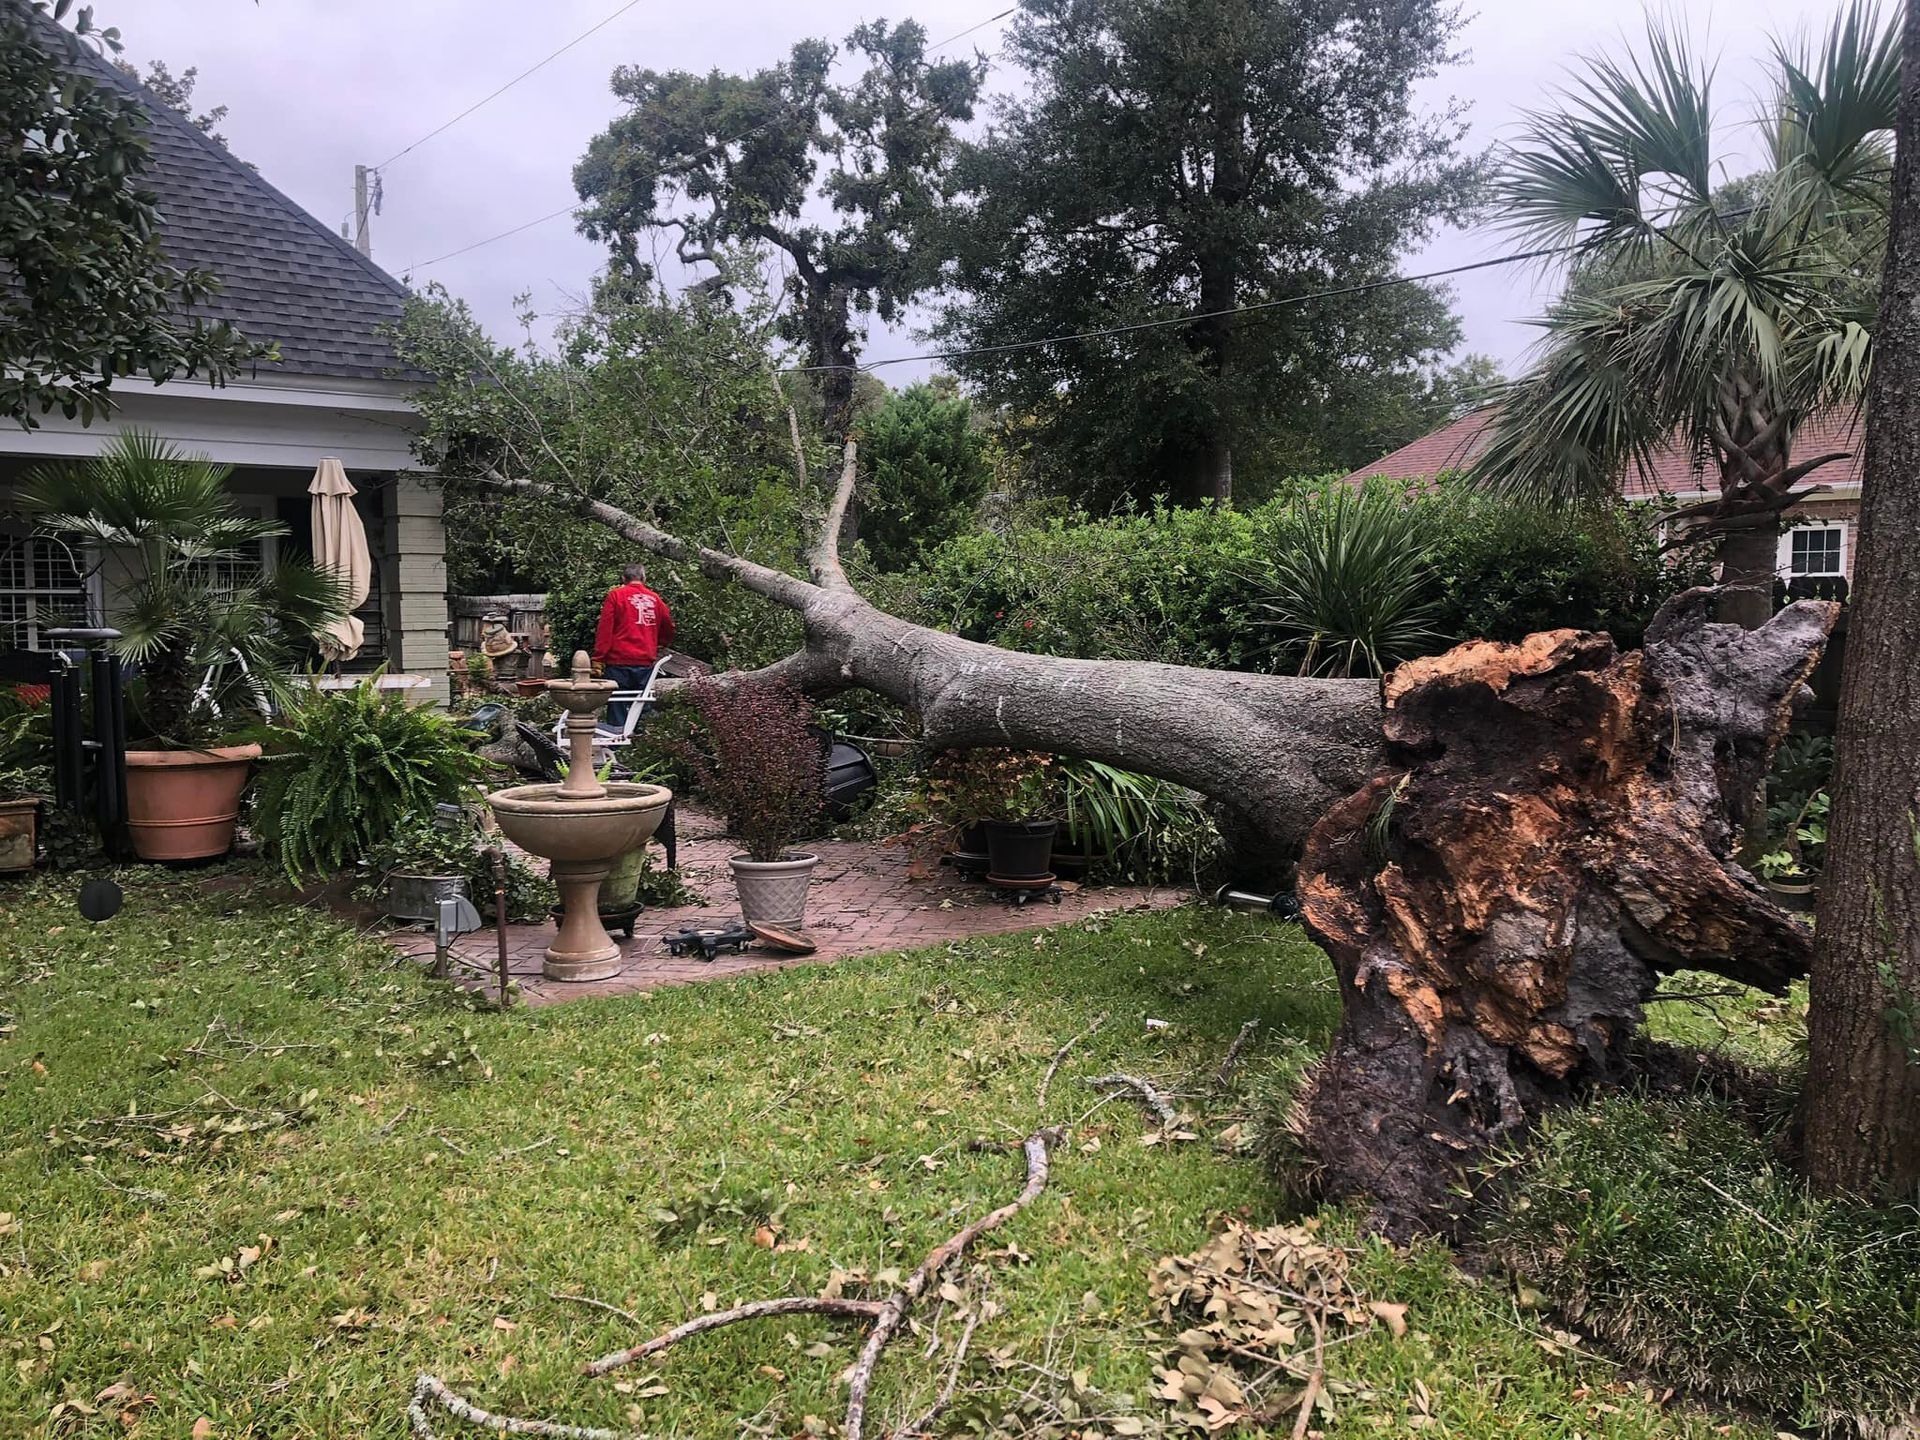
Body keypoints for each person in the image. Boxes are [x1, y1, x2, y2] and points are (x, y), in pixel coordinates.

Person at [592, 563, 675, 726]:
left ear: (623, 578)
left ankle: (617, 746)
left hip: (618, 662)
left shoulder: (615, 596)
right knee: (642, 704)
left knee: (618, 704)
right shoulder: (655, 599)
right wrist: (659, 643)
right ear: (644, 578)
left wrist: (598, 658)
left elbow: (605, 630)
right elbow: (669, 627)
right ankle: (642, 743)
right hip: (645, 663)